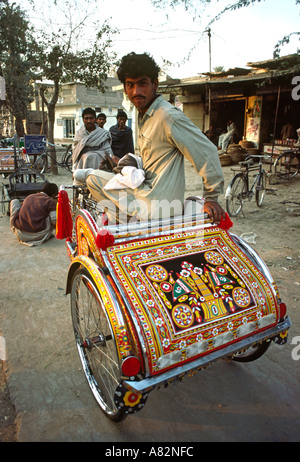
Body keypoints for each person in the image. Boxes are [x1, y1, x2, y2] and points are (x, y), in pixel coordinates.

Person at [86, 52, 225, 224]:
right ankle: (126, 226)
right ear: (125, 89)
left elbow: (207, 152)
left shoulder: (168, 116)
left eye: (142, 83)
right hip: (145, 194)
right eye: (130, 85)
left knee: (92, 178)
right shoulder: (144, 115)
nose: (136, 91)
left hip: (158, 204)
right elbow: (153, 160)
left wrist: (211, 197)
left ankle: (126, 227)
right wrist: (122, 165)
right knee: (99, 178)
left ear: (155, 84)